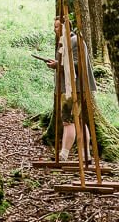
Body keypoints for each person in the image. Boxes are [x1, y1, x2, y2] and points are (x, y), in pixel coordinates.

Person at [43, 16, 94, 161]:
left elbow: (77, 65)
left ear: (66, 27)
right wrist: (57, 63)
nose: (55, 30)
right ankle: (85, 154)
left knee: (68, 121)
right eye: (54, 27)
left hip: (73, 88)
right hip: (69, 86)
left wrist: (57, 65)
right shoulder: (64, 42)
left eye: (57, 27)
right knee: (78, 120)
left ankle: (64, 154)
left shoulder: (75, 41)